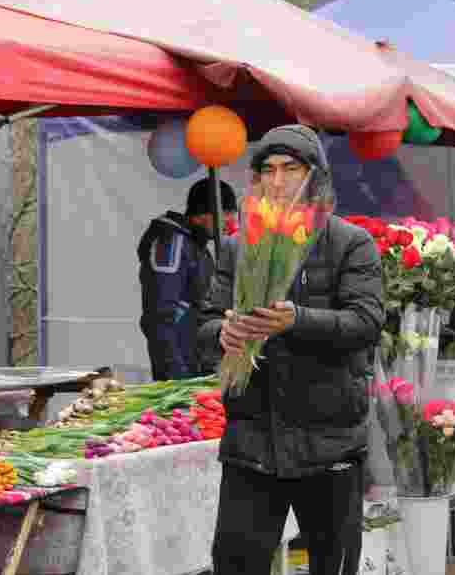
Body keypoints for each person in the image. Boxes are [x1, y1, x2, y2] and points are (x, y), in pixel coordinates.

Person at [197, 125, 385, 575]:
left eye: (290, 169)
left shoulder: (349, 243)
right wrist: (220, 334)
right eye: (268, 170)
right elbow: (203, 323)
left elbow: (367, 322)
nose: (278, 181)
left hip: (330, 445)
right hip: (251, 444)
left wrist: (296, 320)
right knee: (235, 564)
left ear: (314, 176)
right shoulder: (235, 247)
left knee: (333, 565)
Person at [138, 177, 238, 380]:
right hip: (180, 366)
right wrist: (176, 373)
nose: (230, 222)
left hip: (199, 361)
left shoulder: (196, 246)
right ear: (205, 213)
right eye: (227, 213)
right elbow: (160, 317)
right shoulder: (171, 244)